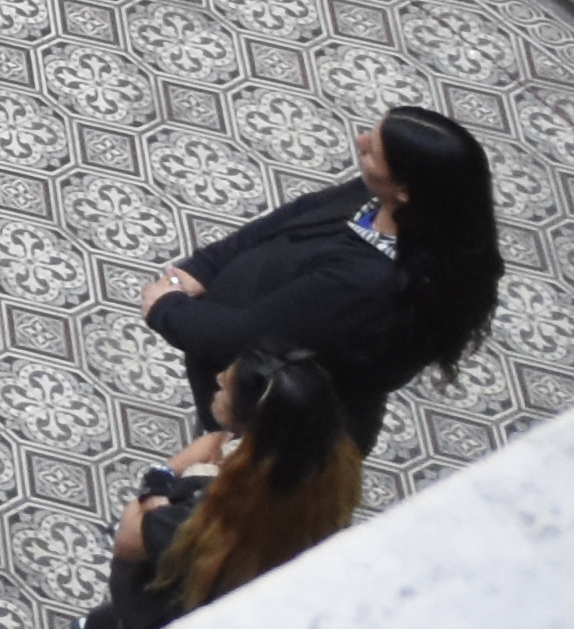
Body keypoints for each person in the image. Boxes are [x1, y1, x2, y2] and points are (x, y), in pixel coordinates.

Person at [142, 102, 500, 449]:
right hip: (232, 387)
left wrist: (166, 308)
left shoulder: (367, 285)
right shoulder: (377, 198)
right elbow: (292, 217)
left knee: (206, 485)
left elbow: (251, 338)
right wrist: (202, 268)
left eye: (373, 151)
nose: (360, 142)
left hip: (270, 430)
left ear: (405, 190)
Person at [81, 342, 362, 629]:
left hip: (164, 622)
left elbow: (130, 539)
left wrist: (159, 486)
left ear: (251, 422)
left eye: (224, 388)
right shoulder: (326, 467)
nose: (216, 379)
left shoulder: (212, 516)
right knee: (101, 625)